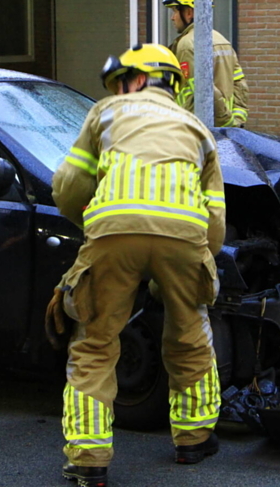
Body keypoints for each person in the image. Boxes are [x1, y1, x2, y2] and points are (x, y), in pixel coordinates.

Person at [46, 44, 224, 486]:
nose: (118, 91)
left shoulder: (105, 112)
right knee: (190, 332)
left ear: (140, 79)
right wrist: (198, 263)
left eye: (122, 81)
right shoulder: (198, 129)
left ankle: (89, 459)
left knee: (94, 342)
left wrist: (97, 225)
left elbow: (68, 188)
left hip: (113, 233)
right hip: (184, 234)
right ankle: (194, 439)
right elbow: (216, 217)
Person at [162, 0, 249, 127]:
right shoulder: (222, 40)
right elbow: (240, 85)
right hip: (224, 127)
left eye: (175, 11)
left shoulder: (187, 45)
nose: (172, 17)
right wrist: (236, 121)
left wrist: (226, 121)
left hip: (198, 127)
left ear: (189, 13)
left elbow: (203, 89)